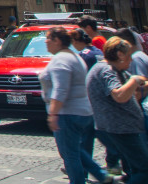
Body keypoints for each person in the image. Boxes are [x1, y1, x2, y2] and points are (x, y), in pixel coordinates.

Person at [86, 37, 148, 184]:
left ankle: (113, 175)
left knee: (135, 170)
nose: (131, 60)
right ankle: (111, 175)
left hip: (122, 127)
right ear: (120, 55)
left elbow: (136, 84)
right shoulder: (107, 70)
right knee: (147, 170)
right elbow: (120, 95)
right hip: (119, 128)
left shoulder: (116, 70)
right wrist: (135, 80)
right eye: (129, 56)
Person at [40, 27, 115, 184]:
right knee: (77, 151)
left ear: (57, 40)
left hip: (67, 113)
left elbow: (61, 89)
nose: (45, 41)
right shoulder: (75, 57)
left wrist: (53, 114)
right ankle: (102, 176)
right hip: (83, 111)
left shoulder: (61, 59)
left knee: (70, 154)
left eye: (48, 38)